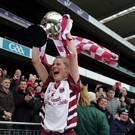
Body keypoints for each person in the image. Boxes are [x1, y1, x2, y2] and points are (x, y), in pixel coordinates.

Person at [32, 33, 80, 135]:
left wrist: (67, 35)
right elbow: (36, 61)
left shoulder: (72, 84)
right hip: (46, 133)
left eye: (58, 64)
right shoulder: (49, 84)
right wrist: (37, 39)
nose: (54, 66)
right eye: (53, 64)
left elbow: (73, 55)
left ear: (67, 70)